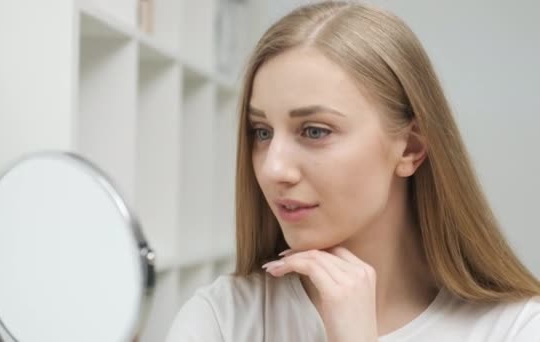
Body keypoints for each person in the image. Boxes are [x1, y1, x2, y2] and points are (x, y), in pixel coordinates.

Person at [166, 1, 540, 341]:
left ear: (410, 148)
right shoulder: (221, 319)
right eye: (261, 132)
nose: (273, 168)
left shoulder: (515, 328)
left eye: (315, 131)